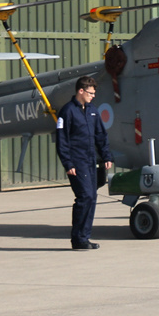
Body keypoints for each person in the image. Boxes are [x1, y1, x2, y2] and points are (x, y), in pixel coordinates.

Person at [55, 76, 112, 251]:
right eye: (90, 93)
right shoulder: (67, 112)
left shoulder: (92, 111)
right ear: (81, 91)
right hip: (76, 161)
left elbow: (100, 136)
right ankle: (78, 238)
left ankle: (84, 237)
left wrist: (106, 156)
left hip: (90, 160)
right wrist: (68, 163)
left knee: (92, 198)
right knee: (85, 196)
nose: (93, 96)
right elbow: (62, 141)